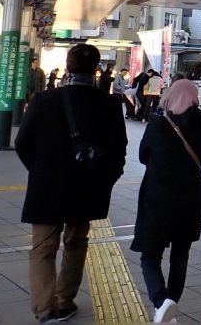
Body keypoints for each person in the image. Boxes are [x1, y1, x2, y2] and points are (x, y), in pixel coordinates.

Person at [16, 43, 127, 323]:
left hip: (47, 186)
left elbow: (22, 143)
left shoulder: (44, 100)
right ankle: (65, 302)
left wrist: (39, 170)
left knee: (43, 248)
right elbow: (119, 151)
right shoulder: (109, 104)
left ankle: (44, 309)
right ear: (97, 69)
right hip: (87, 187)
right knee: (76, 243)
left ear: (67, 67)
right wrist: (105, 180)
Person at [132, 79, 201, 323]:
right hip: (192, 198)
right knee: (180, 254)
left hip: (160, 197)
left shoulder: (158, 124)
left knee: (150, 254)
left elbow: (143, 155)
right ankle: (170, 305)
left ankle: (161, 301)